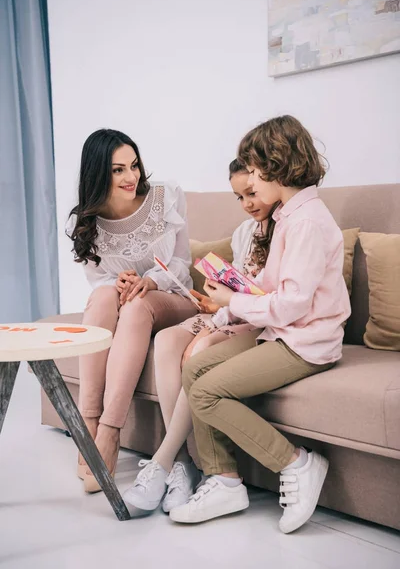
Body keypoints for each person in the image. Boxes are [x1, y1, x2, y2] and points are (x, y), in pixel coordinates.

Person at [170, 115, 351, 534]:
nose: (250, 180)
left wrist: (233, 300)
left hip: (305, 342)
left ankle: (297, 463)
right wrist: (229, 300)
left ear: (277, 164)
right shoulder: (289, 216)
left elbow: (290, 306)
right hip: (280, 333)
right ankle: (224, 481)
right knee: (195, 368)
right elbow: (271, 288)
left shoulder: (306, 221)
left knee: (208, 392)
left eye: (252, 170)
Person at [123, 159, 278, 513]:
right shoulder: (244, 233)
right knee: (166, 341)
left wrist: (221, 315)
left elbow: (268, 300)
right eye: (239, 197)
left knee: (200, 349)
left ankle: (162, 462)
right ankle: (183, 464)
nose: (248, 203)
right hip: (228, 314)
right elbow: (236, 288)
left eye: (252, 193)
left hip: (258, 324)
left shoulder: (285, 232)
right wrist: (213, 306)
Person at [66, 128, 196, 493]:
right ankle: (87, 421)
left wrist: (150, 281)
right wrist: (118, 281)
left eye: (134, 165)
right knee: (107, 298)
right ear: (97, 173)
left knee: (137, 306)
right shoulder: (86, 219)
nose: (131, 177)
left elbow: (182, 265)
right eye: (118, 170)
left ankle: (109, 431)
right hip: (124, 302)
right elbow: (99, 281)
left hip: (172, 298)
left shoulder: (165, 196)